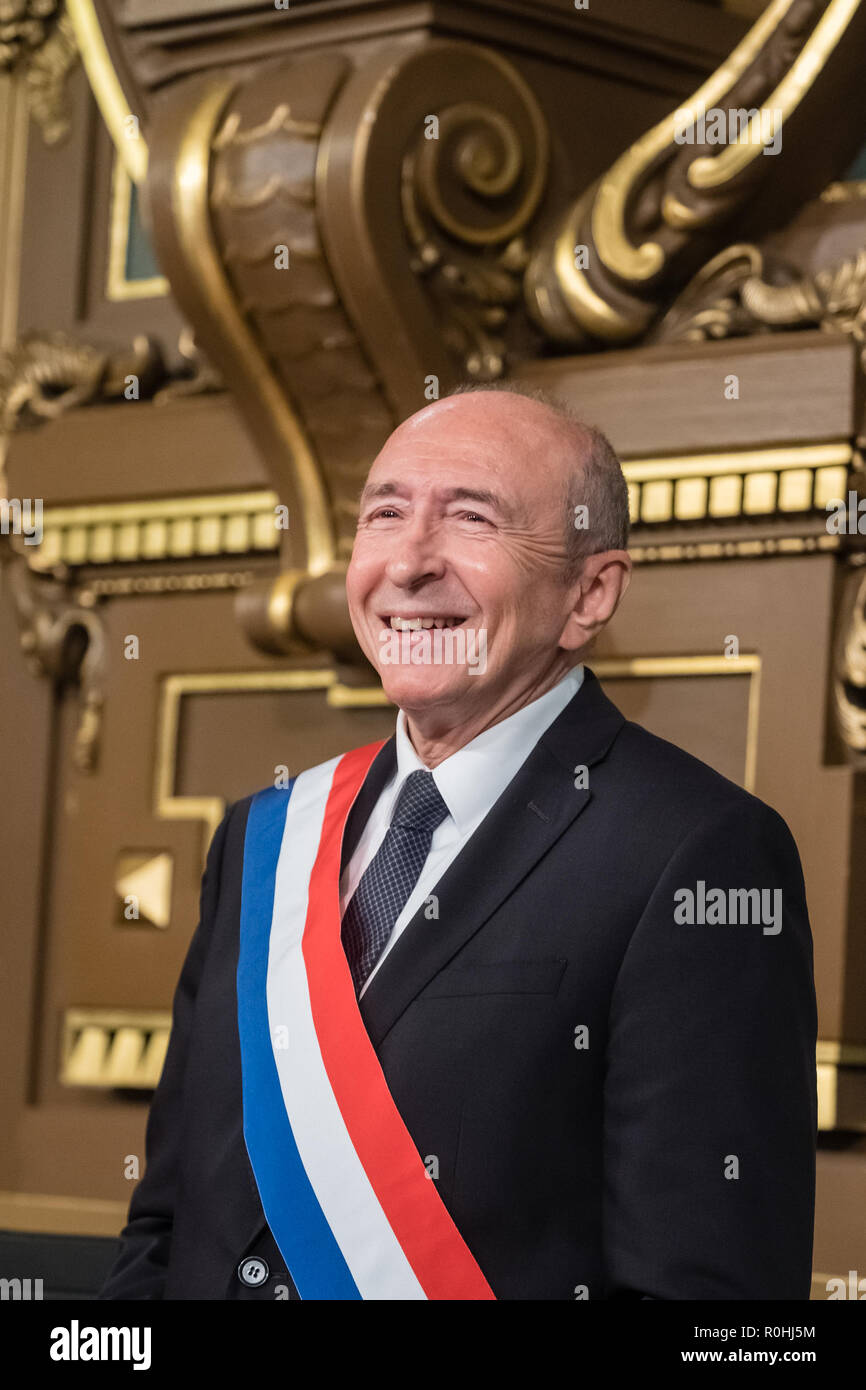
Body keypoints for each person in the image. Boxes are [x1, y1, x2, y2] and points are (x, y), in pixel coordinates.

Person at [100, 384, 817, 1300]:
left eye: (472, 518)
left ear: (589, 593)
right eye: (385, 514)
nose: (407, 563)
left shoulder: (700, 852)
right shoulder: (263, 839)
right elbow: (165, 1226)